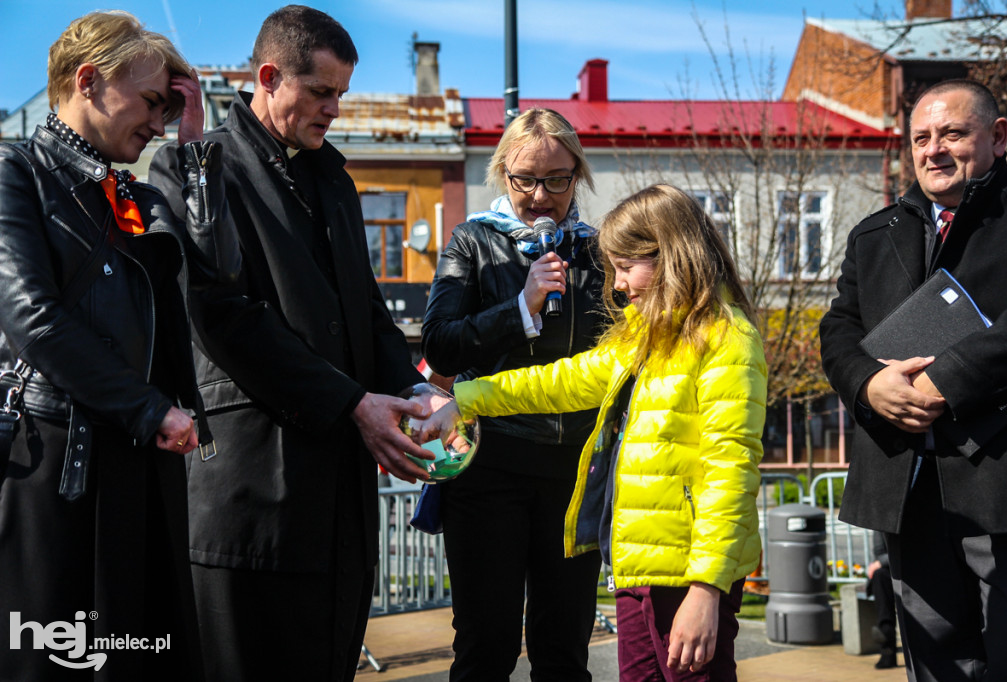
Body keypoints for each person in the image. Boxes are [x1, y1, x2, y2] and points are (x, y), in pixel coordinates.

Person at [149, 5, 432, 681]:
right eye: (323, 92)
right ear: (271, 76)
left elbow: (364, 309)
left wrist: (414, 387)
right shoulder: (194, 165)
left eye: (342, 93)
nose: (336, 108)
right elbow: (221, 316)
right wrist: (351, 404)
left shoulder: (331, 174)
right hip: (250, 506)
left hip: (340, 512)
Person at [422, 184, 766, 681]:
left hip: (688, 576)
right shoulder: (643, 338)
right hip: (635, 570)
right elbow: (560, 381)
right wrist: (464, 401)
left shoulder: (727, 340)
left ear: (673, 256)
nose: (620, 285)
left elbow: (730, 472)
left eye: (627, 268)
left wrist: (706, 590)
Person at [0, 10, 237, 679]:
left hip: (137, 467)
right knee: (54, 663)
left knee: (143, 661)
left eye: (169, 109)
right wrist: (151, 410)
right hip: (58, 470)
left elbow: (216, 277)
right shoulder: (15, 171)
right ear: (89, 82)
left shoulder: (130, 193)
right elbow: (33, 319)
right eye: (152, 103)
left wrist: (193, 145)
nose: (159, 122)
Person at [819, 79, 1007, 680]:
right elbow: (838, 330)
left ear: (999, 136)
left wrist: (950, 378)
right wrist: (866, 386)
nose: (934, 150)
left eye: (953, 134)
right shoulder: (873, 234)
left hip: (1006, 487)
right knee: (936, 664)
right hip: (905, 485)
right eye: (921, 138)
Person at [421, 107, 606, 681]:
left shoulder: (598, 253)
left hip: (572, 476)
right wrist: (519, 309)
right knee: (486, 645)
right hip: (489, 468)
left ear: (578, 176)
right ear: (503, 174)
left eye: (557, 179)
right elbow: (441, 345)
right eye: (525, 179)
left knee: (565, 650)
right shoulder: (473, 241)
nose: (540, 196)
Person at [866, 532, 897, 670]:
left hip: (914, 569)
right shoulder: (882, 518)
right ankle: (887, 643)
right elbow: (879, 552)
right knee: (879, 576)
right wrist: (881, 562)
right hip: (891, 572)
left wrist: (881, 562)